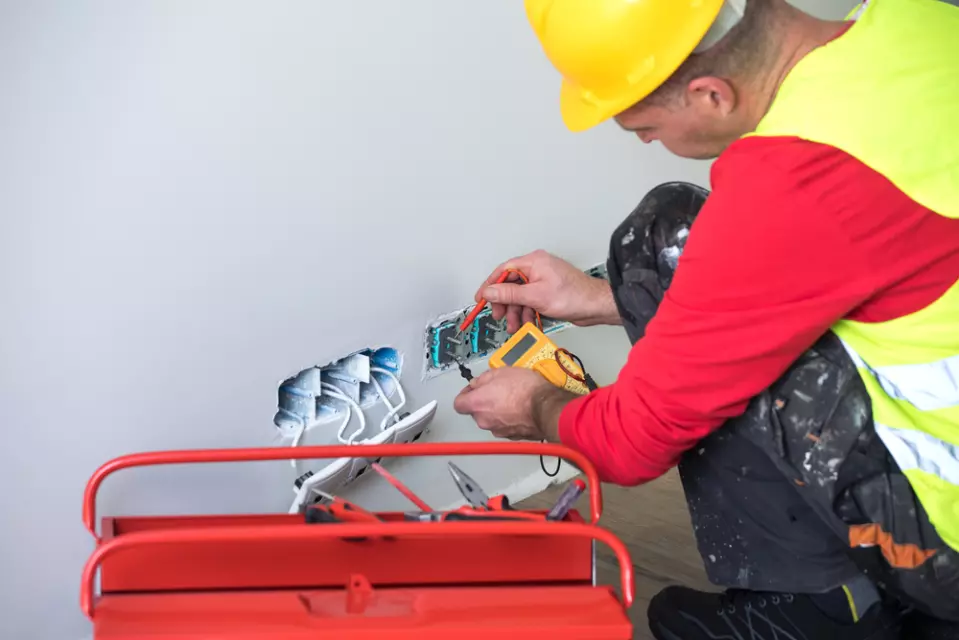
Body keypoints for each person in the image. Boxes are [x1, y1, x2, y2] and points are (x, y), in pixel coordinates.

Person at [452, 0, 959, 638]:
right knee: (667, 232)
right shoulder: (922, 23)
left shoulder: (796, 182)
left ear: (711, 94)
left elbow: (628, 443)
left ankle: (820, 610)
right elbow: (869, 259)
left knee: (668, 250)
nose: (645, 140)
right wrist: (599, 298)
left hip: (946, 541)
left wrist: (535, 407)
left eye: (643, 127)